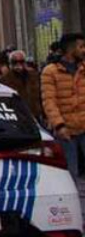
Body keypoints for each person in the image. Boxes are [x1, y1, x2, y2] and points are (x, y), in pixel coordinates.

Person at [41, 33, 85, 179]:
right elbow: (49, 101)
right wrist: (59, 125)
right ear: (71, 48)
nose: (83, 50)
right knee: (70, 173)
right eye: (81, 46)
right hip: (66, 130)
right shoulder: (51, 71)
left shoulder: (83, 68)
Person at [0, 50, 43, 121]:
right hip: (16, 117)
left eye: (21, 62)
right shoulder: (4, 80)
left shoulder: (34, 76)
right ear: (10, 63)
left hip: (35, 116)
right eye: (15, 62)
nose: (18, 64)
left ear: (25, 62)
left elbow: (42, 95)